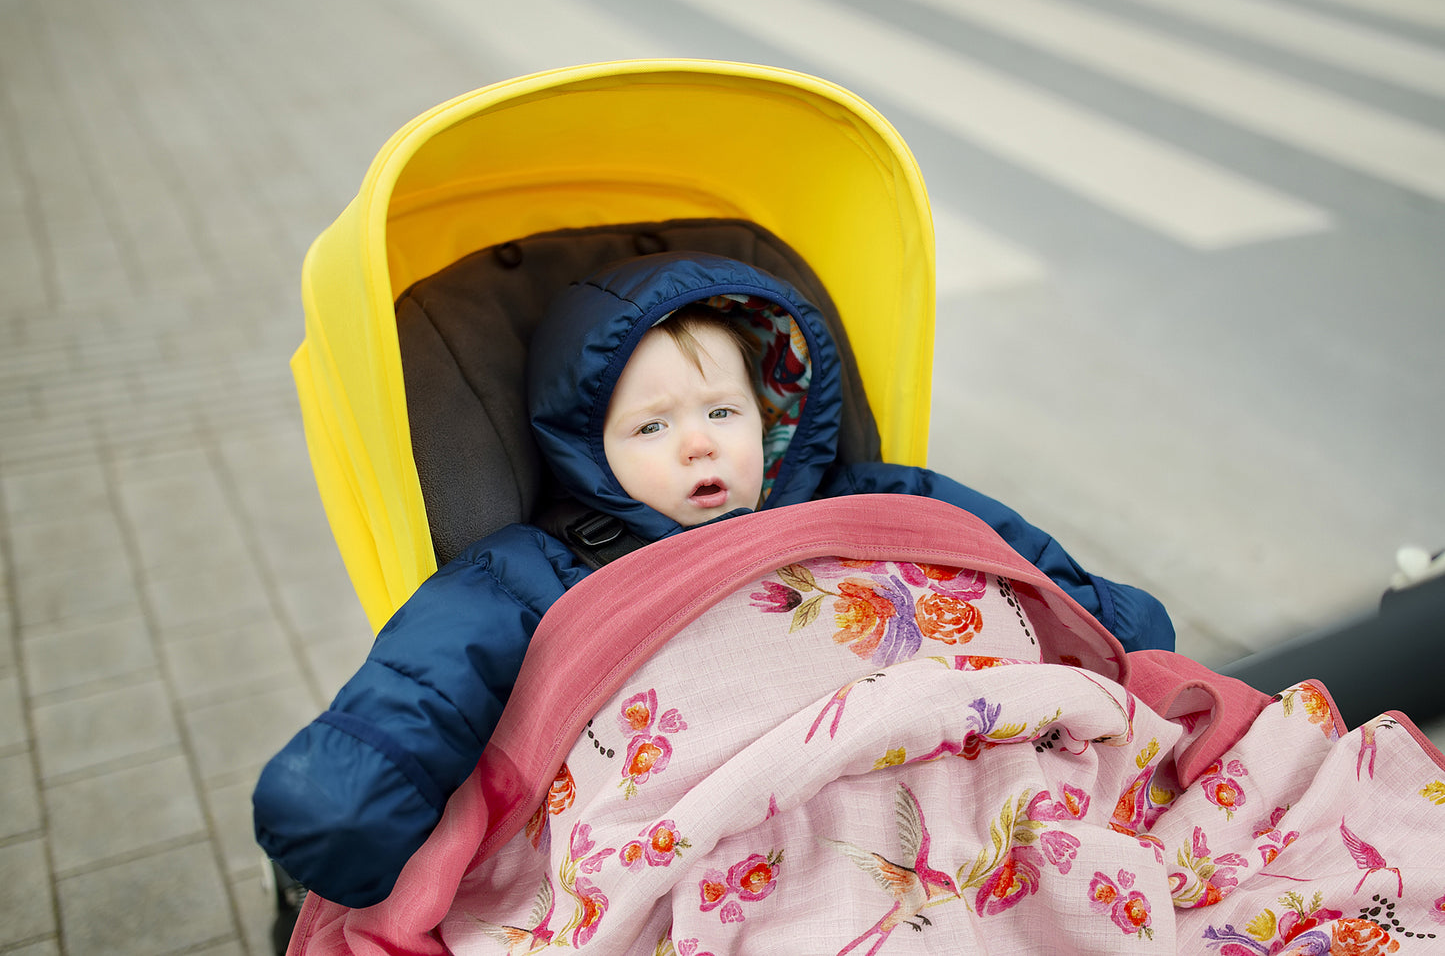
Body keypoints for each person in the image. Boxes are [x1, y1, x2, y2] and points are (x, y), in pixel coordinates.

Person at [253, 250, 1174, 908]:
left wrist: (1117, 628)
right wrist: (339, 803)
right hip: (718, 815)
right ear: (587, 449)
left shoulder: (866, 496)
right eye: (650, 427)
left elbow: (1001, 558)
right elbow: (428, 677)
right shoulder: (543, 564)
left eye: (721, 410)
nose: (696, 441)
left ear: (770, 418)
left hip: (926, 760)